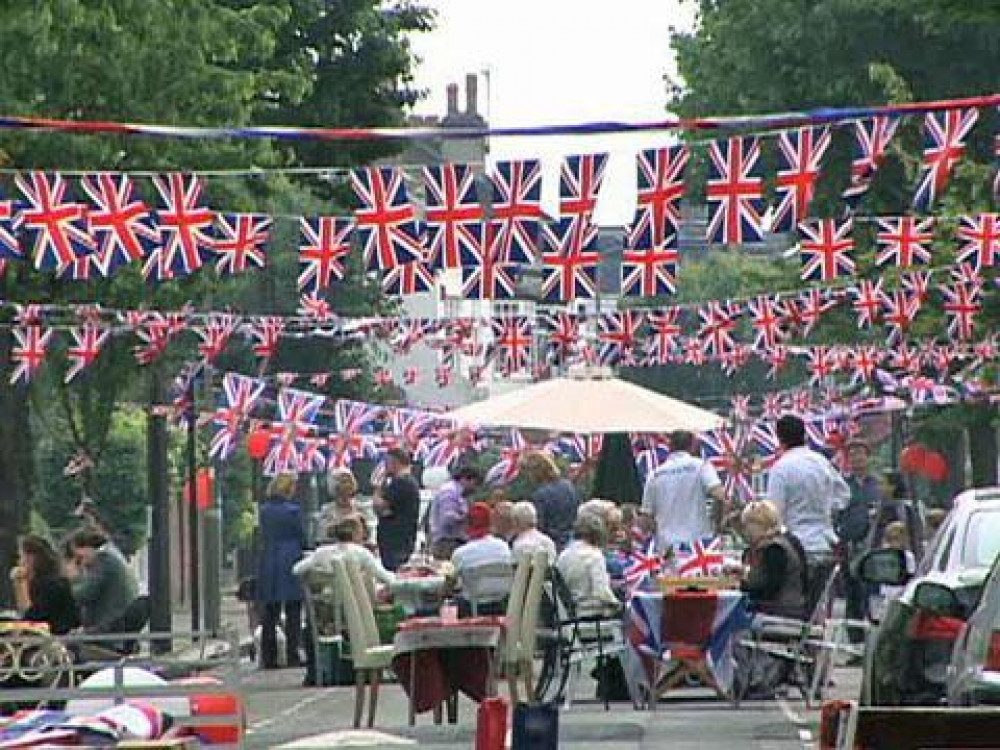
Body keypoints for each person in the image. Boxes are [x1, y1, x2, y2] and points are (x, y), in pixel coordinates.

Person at [766, 415, 850, 613]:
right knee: (819, 608)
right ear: (804, 435)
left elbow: (773, 513)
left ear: (779, 438)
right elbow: (844, 496)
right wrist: (825, 508)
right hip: (825, 543)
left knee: (792, 606)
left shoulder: (781, 468)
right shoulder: (822, 462)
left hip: (795, 549)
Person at [641, 430, 728, 553]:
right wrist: (717, 523)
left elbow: (646, 517)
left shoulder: (654, 474)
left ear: (670, 446)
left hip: (666, 546)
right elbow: (720, 495)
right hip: (699, 543)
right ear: (692, 445)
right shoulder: (701, 466)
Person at [257, 473, 305, 669]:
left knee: (270, 610)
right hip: (290, 556)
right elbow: (301, 535)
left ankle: (269, 656)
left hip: (270, 557)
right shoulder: (293, 511)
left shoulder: (264, 511)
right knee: (293, 609)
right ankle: (293, 654)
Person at [837, 440, 882, 644]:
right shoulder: (842, 486)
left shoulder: (879, 485)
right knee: (853, 597)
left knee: (873, 596)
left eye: (860, 454)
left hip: (875, 548)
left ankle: (875, 641)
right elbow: (835, 513)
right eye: (852, 454)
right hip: (850, 547)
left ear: (868, 457)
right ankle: (855, 643)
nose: (857, 458)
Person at [733, 502, 808, 619]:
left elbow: (771, 589)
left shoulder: (775, 549)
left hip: (782, 609)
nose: (744, 531)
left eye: (746, 526)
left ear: (759, 525)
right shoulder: (789, 540)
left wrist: (742, 585)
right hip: (793, 605)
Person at [65, 527, 139, 634]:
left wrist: (71, 580)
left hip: (108, 632)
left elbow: (83, 595)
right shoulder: (111, 558)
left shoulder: (103, 561)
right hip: (115, 628)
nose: (80, 562)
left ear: (87, 547)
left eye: (78, 557)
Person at [294, 515, 396, 588]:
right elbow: (386, 578)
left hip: (329, 603)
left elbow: (296, 570)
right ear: (356, 534)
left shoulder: (322, 552)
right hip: (358, 606)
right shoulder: (361, 553)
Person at [450, 503, 513, 616]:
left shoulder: (461, 553)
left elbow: (450, 584)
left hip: (473, 609)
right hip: (502, 605)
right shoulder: (504, 547)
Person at [9, 535, 80, 635]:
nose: (19, 562)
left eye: (21, 556)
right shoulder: (44, 581)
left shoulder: (51, 584)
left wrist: (19, 583)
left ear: (31, 558)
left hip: (58, 638)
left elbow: (30, 617)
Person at [556, 514, 620, 617]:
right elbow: (602, 592)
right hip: (589, 611)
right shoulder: (594, 556)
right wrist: (618, 604)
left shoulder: (563, 555)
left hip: (567, 612)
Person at [374, 448, 421, 571]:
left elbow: (379, 507)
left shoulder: (401, 482)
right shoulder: (408, 482)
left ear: (394, 462)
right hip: (402, 540)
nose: (384, 467)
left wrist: (377, 487)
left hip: (395, 543)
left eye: (386, 463)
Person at [522, 451, 579, 551]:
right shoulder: (568, 486)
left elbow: (539, 528)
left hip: (551, 545)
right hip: (572, 542)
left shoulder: (539, 496)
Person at [428, 464, 483, 560]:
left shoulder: (460, 494)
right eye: (475, 484)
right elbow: (448, 519)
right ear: (465, 479)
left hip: (454, 541)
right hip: (448, 543)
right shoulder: (450, 493)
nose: (475, 489)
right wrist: (468, 517)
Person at [318, 468, 376, 546]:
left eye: (350, 481)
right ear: (334, 485)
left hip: (360, 551)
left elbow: (371, 535)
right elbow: (322, 536)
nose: (348, 485)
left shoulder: (363, 507)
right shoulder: (326, 510)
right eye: (343, 482)